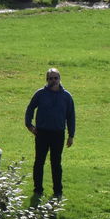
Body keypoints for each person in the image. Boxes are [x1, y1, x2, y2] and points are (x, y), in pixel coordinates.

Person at [25, 66, 76, 198]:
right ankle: (38, 190)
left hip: (58, 134)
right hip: (42, 133)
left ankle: (58, 191)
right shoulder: (40, 94)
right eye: (50, 78)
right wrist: (29, 125)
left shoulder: (66, 96)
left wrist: (71, 135)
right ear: (47, 80)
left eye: (55, 78)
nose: (53, 80)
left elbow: (71, 116)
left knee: (56, 163)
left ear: (60, 79)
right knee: (39, 162)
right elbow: (30, 108)